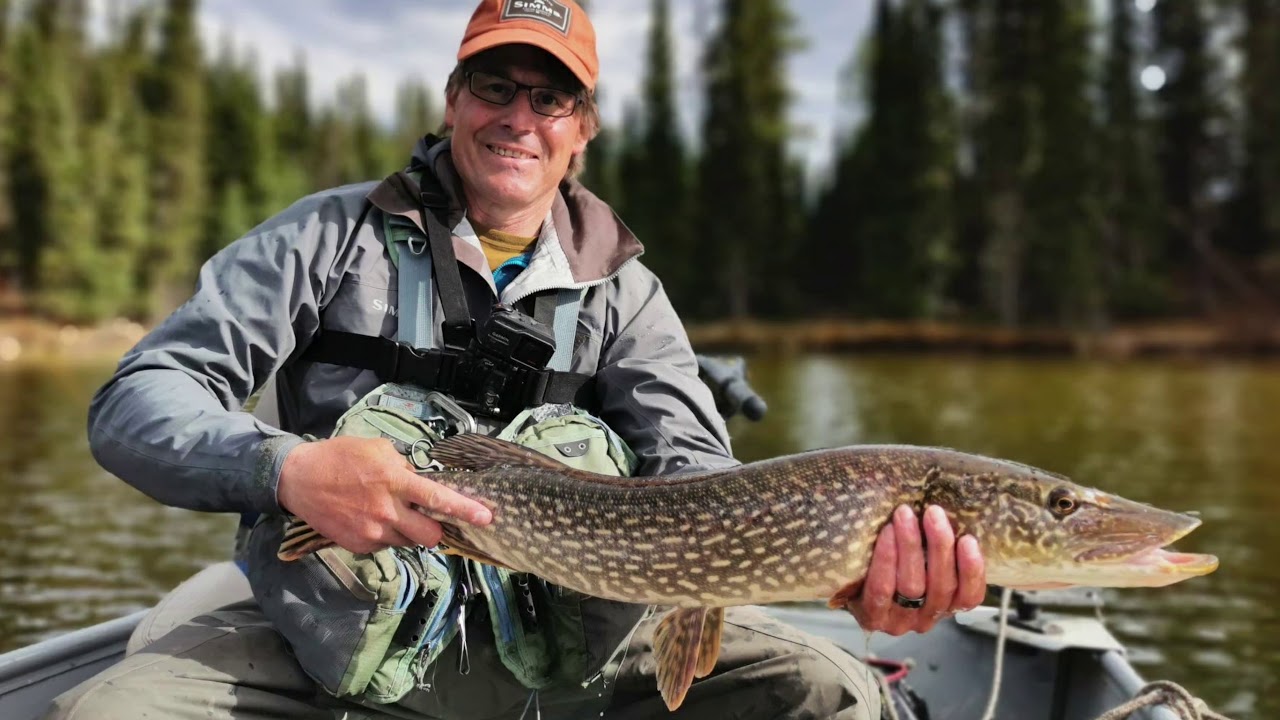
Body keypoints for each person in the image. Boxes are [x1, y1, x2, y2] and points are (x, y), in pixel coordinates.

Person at [45, 1, 985, 718]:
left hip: (571, 645)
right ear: (456, 99)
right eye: (495, 87)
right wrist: (286, 467)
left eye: (551, 97)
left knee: (837, 692)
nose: (518, 119)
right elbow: (137, 400)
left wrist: (854, 575)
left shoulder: (628, 295)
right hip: (327, 636)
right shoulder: (327, 239)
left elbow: (701, 481)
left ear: (583, 127)